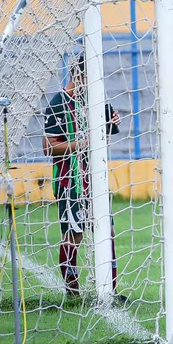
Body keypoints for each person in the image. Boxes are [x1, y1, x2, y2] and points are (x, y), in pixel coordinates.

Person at [42, 53, 123, 302]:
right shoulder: (58, 103)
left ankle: (110, 291)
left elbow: (107, 135)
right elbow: (48, 147)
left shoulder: (96, 101)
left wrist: (112, 123)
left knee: (106, 233)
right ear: (80, 75)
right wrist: (82, 143)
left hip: (95, 180)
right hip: (70, 182)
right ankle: (73, 293)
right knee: (74, 236)